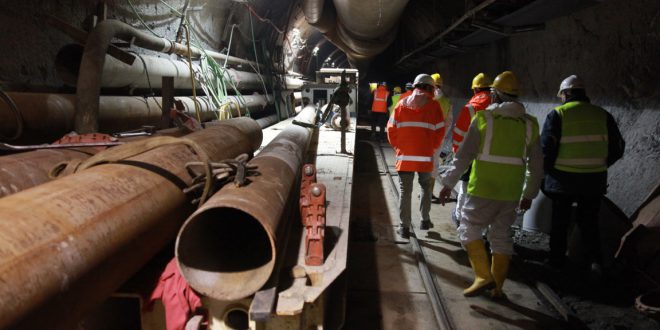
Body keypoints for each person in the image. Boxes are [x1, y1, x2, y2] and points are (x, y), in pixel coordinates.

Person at [439, 71, 543, 298]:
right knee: (502, 237)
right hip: (511, 191)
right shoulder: (530, 125)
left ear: (495, 94)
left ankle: (483, 276)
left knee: (469, 229)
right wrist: (529, 194)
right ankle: (497, 289)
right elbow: (536, 166)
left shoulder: (484, 119)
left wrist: (448, 183)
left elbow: (463, 156)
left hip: (482, 188)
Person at [542, 75, 624, 273]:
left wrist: (547, 172)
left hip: (563, 180)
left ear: (567, 93)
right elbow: (618, 148)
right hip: (593, 180)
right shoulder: (603, 115)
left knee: (560, 222)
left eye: (562, 95)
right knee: (589, 223)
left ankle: (556, 262)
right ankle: (594, 262)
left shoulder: (558, 114)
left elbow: (546, 149)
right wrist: (599, 165)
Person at [387, 74, 446, 241]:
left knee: (405, 192)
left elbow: (391, 130)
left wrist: (400, 147)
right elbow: (439, 132)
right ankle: (425, 221)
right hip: (425, 158)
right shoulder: (434, 106)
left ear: (416, 86)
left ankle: (404, 227)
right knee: (426, 189)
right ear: (429, 88)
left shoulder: (400, 105)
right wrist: (430, 147)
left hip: (405, 157)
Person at [450, 73, 493, 226]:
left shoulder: (471, 107)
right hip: (490, 154)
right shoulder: (498, 104)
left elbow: (460, 132)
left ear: (475, 90)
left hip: (470, 153)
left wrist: (457, 151)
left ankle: (460, 217)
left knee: (465, 185)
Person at [430, 73, 453, 203]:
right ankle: (429, 193)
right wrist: (442, 136)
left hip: (425, 138)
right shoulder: (446, 101)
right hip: (438, 139)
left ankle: (424, 192)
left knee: (422, 164)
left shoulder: (427, 99)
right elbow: (449, 122)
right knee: (434, 165)